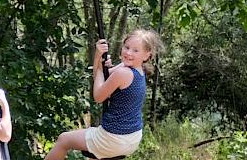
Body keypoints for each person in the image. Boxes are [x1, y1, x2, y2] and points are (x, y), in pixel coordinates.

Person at [45, 29, 163, 160]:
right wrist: (99, 59)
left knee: (64, 140)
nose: (129, 53)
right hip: (132, 136)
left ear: (147, 55)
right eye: (127, 47)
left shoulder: (123, 73)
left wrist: (101, 66)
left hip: (114, 137)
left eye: (135, 50)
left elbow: (98, 96)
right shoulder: (137, 70)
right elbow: (99, 78)